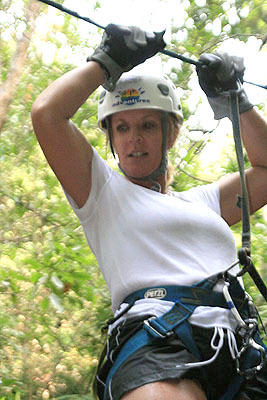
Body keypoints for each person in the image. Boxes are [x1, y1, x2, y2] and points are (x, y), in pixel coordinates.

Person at [31, 24, 267, 400]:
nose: (134, 138)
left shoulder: (204, 202)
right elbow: (47, 114)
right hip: (158, 340)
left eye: (147, 125)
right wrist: (106, 61)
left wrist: (236, 102)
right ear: (110, 139)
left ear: (168, 134)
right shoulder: (102, 193)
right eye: (121, 128)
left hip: (241, 352)